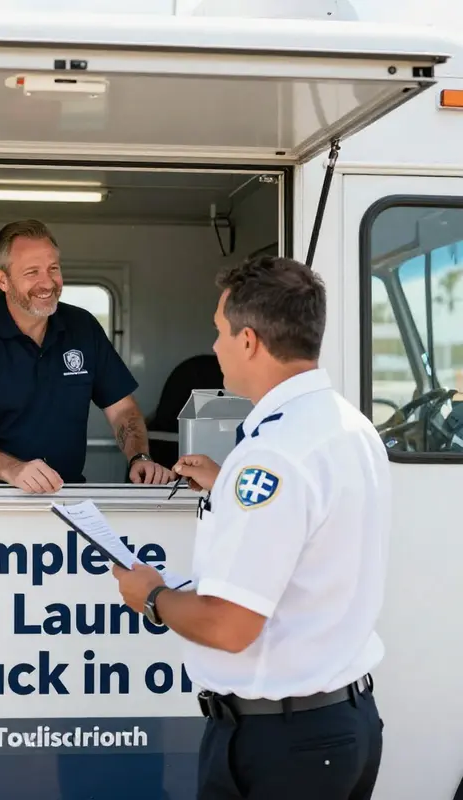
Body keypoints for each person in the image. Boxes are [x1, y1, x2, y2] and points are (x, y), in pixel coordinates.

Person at [112, 255, 391, 799]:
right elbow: (317, 533)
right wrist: (226, 490)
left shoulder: (271, 456)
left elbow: (229, 627)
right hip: (342, 727)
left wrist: (151, 596)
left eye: (219, 331)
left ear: (249, 341)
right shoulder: (349, 427)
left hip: (279, 747)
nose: (213, 346)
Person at [0, 219, 173, 493]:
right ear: (2, 279)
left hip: (64, 497)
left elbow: (123, 410)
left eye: (53, 269)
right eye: (32, 272)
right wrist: (13, 470)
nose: (47, 283)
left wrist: (138, 456)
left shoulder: (83, 328)